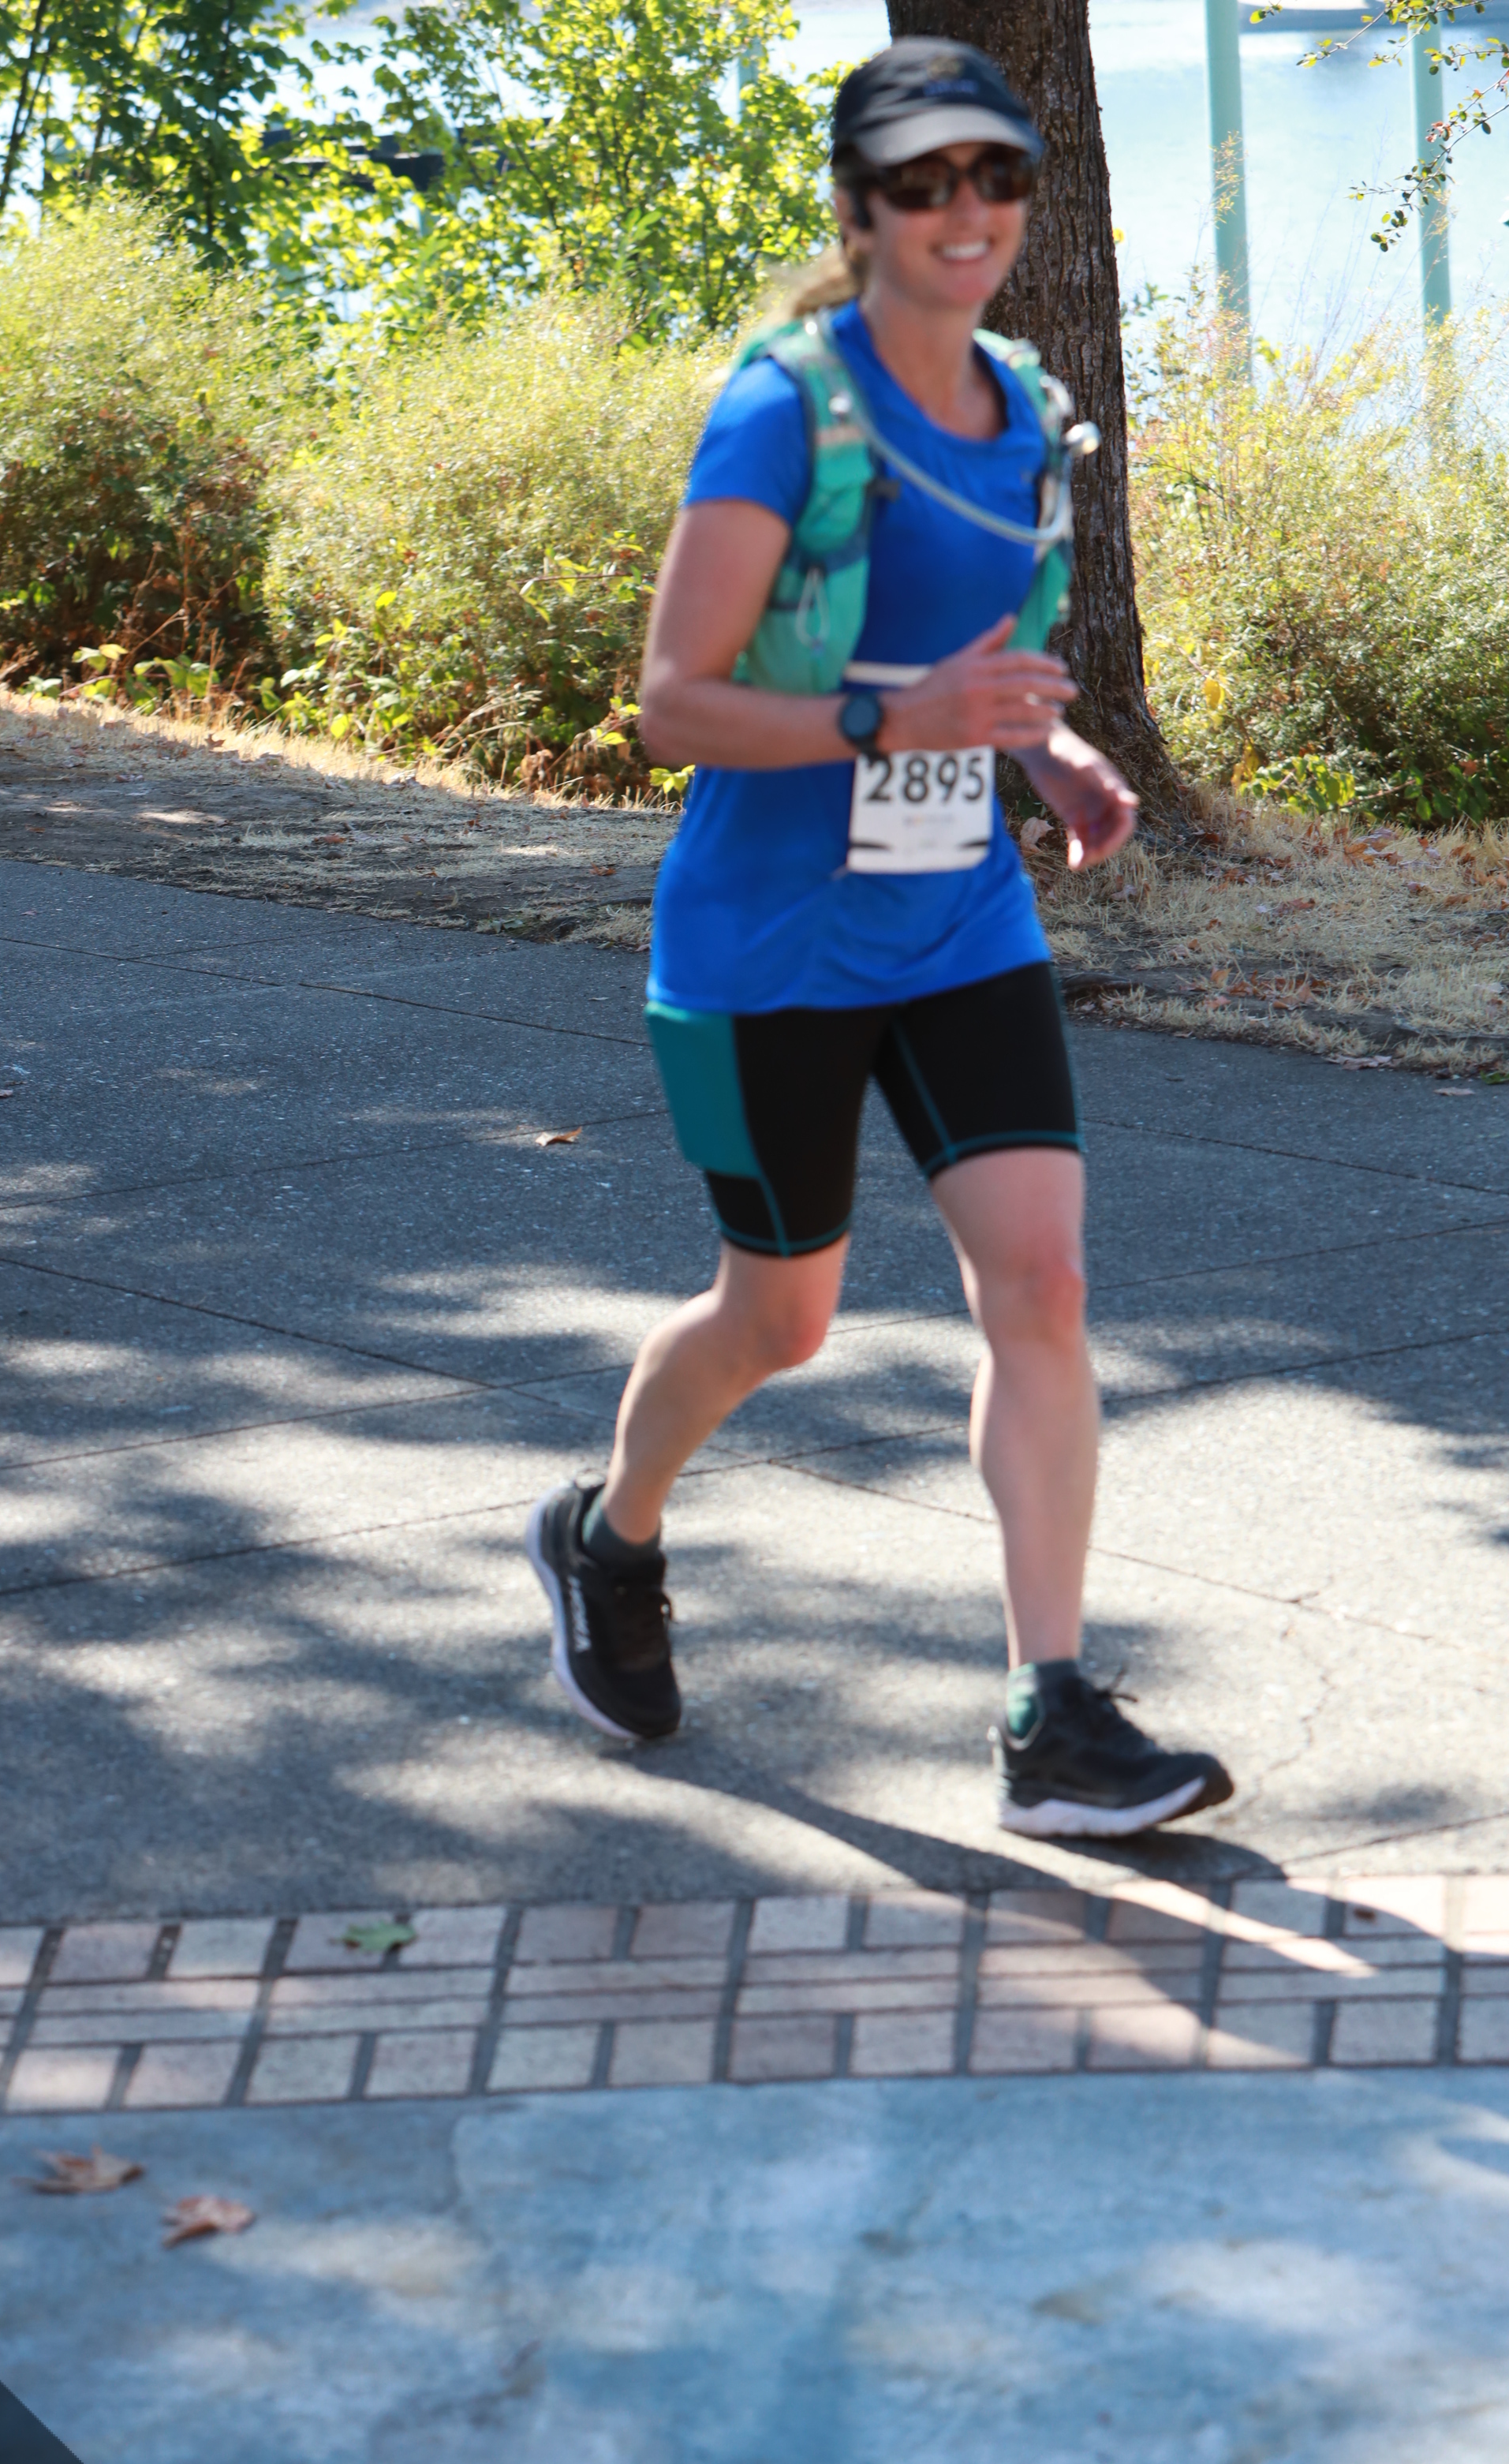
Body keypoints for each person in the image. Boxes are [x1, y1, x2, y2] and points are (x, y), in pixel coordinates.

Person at [526, 36, 1233, 1840]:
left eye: (995, 176)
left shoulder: (1024, 408)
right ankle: (608, 1538)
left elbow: (983, 663)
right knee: (780, 1320)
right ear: (857, 210)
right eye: (922, 183)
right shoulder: (784, 413)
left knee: (1042, 1284)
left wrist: (1051, 753)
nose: (964, 211)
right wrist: (886, 722)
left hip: (958, 917)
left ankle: (1050, 1713)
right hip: (767, 942)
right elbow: (671, 703)